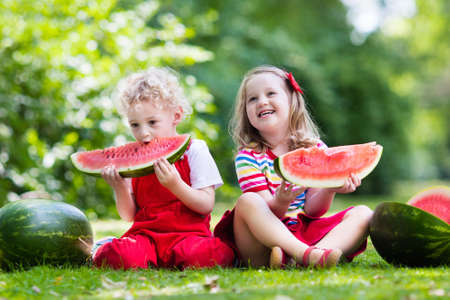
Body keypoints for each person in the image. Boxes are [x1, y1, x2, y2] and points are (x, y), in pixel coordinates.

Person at [214, 65, 373, 268]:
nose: (262, 101)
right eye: (252, 99)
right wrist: (280, 202)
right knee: (248, 201)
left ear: (292, 101)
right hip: (262, 244)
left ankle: (313, 256)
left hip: (303, 232)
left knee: (364, 213)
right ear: (246, 113)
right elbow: (262, 212)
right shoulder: (248, 157)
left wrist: (329, 189)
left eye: (271, 93)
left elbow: (313, 211)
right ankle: (306, 256)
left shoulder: (315, 150)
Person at [92, 67, 235, 270]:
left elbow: (206, 205)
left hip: (189, 237)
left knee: (206, 255)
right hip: (146, 237)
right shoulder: (134, 159)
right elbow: (129, 216)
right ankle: (102, 247)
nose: (144, 134)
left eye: (152, 122)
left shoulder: (194, 150)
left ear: (176, 116)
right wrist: (119, 188)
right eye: (135, 125)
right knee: (118, 256)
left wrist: (175, 185)